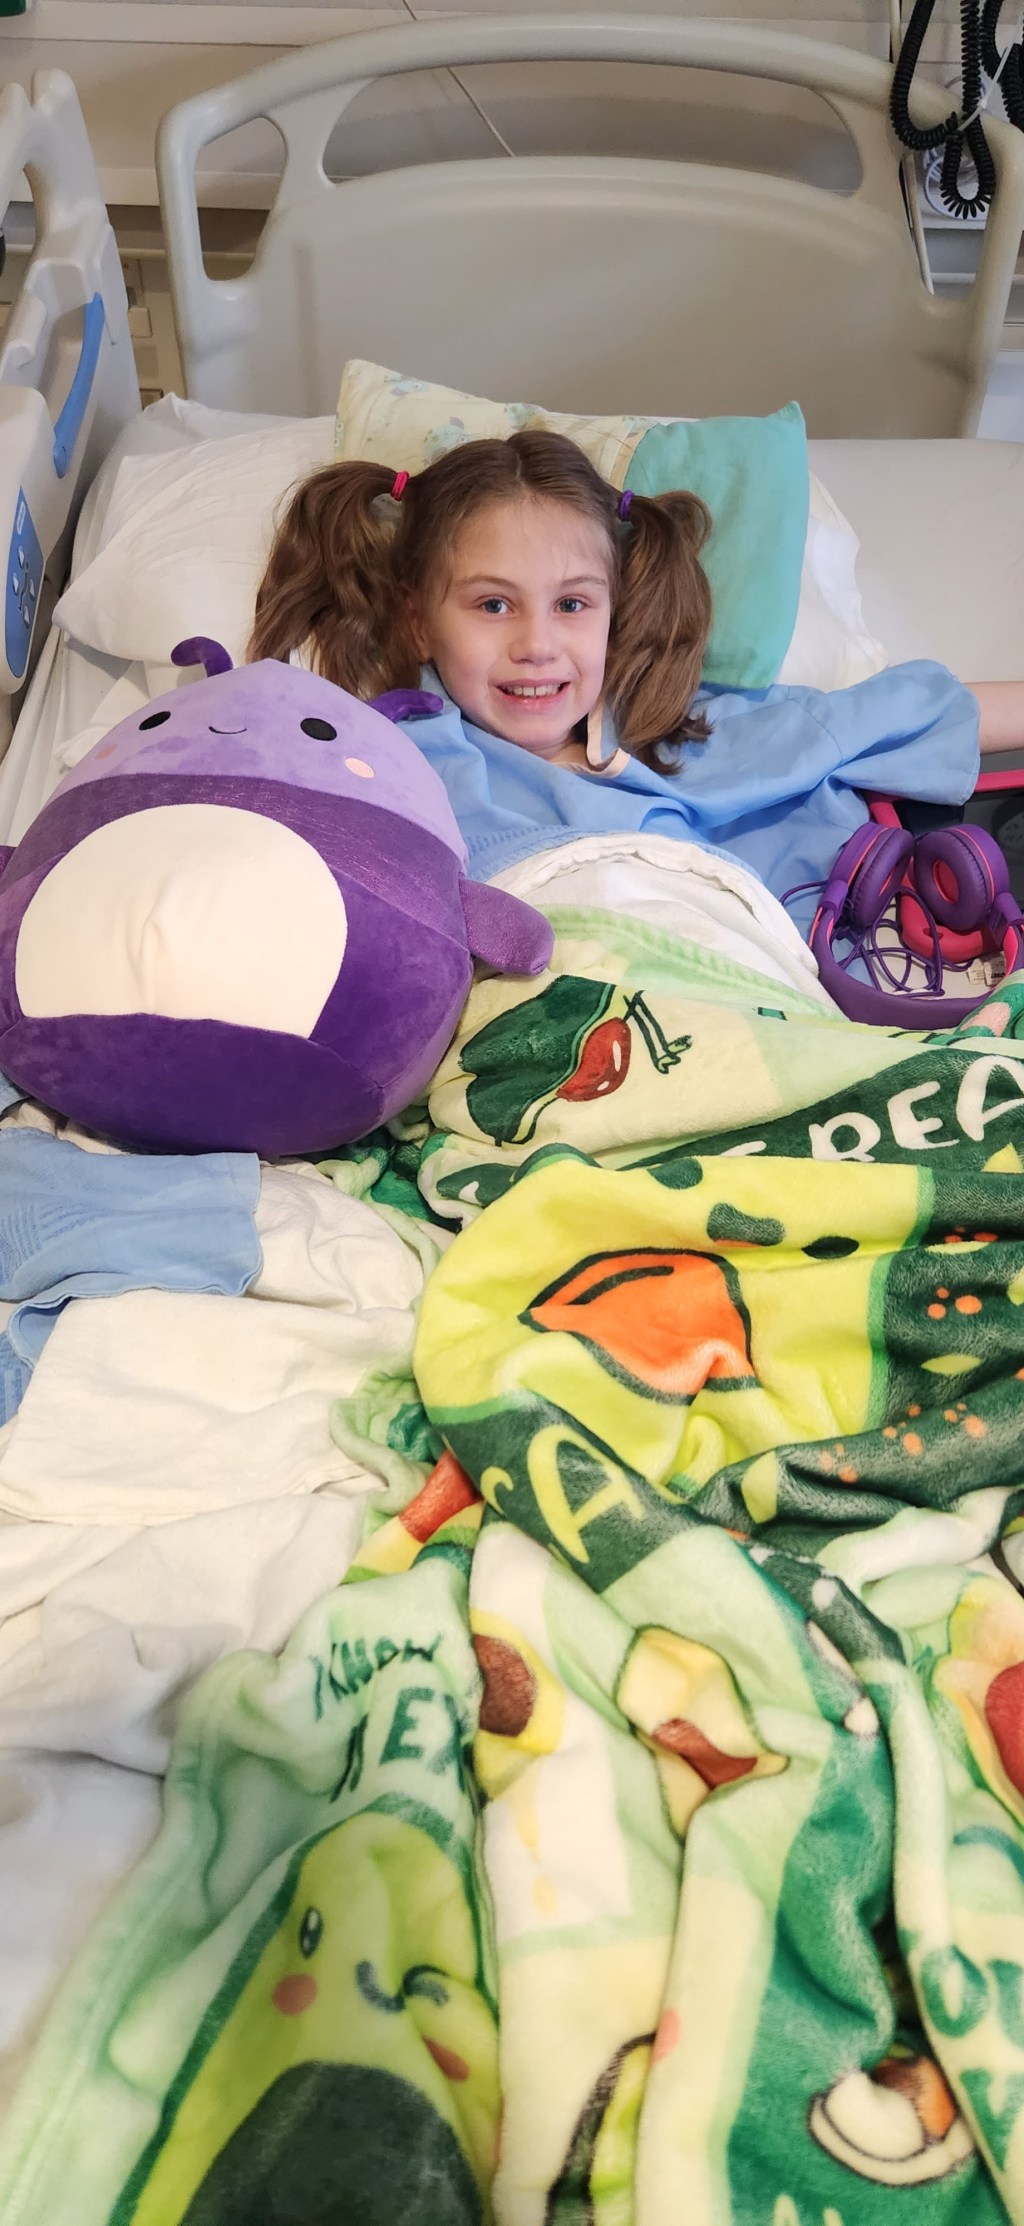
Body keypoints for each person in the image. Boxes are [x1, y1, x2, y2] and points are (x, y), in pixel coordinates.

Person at [250, 430, 1024, 944]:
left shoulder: (702, 734)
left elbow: (912, 713)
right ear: (419, 625)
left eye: (571, 605)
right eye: (493, 606)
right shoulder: (389, 764)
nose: (536, 646)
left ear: (614, 614)